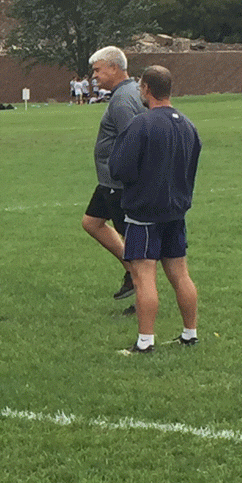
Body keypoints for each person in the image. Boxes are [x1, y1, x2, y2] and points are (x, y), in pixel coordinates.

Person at [109, 66, 201, 354]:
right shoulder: (188, 125)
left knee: (142, 275)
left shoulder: (141, 125)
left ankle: (145, 342)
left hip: (145, 212)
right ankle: (190, 333)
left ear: (146, 88)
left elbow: (120, 168)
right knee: (180, 274)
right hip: (176, 211)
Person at [81, 46, 146, 311]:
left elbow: (133, 141)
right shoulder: (130, 92)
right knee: (91, 222)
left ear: (114, 68)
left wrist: (129, 180)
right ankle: (131, 272)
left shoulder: (121, 101)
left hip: (118, 183)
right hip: (108, 181)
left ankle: (142, 293)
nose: (95, 76)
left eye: (98, 70)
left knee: (133, 243)